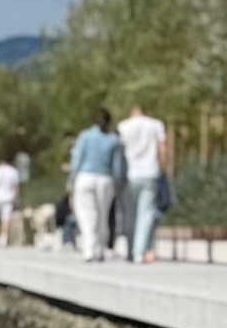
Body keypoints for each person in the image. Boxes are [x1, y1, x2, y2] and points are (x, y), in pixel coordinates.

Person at [69, 108, 126, 262]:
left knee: (87, 214)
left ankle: (89, 249)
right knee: (102, 216)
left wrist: (71, 180)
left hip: (85, 177)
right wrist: (119, 182)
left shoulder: (85, 137)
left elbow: (77, 159)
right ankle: (100, 249)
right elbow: (117, 165)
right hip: (105, 179)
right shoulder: (114, 140)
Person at [117, 104, 168, 263]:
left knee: (130, 214)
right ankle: (140, 251)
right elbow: (163, 149)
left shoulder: (123, 126)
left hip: (131, 175)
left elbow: (119, 152)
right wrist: (162, 169)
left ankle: (131, 250)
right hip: (150, 173)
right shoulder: (156, 124)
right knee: (146, 214)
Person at [0, 157, 20, 245]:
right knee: (5, 218)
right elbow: (15, 186)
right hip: (9, 197)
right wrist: (17, 198)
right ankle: (4, 236)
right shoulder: (13, 171)